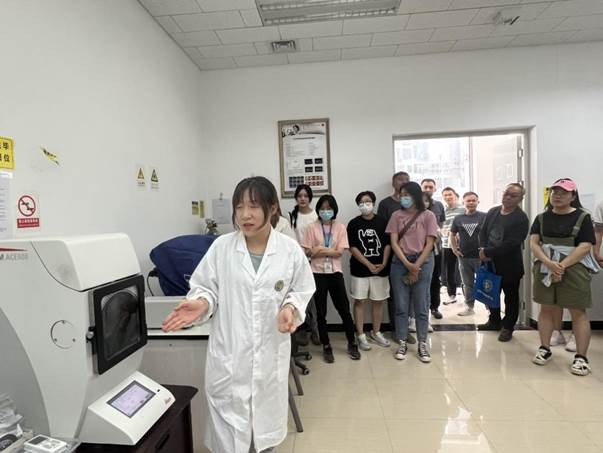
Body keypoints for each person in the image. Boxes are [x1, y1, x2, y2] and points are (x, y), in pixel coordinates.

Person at [162, 176, 315, 453]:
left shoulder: (289, 250)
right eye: (239, 207)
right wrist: (202, 303)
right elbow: (206, 288)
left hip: (269, 359)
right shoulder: (222, 248)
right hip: (230, 362)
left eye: (254, 206)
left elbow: (301, 289)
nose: (245, 215)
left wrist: (290, 308)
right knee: (229, 441)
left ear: (272, 207)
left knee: (264, 439)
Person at [530, 178, 598, 376]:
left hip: (574, 268)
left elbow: (585, 246)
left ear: (573, 196)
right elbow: (534, 243)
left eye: (563, 193)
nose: (558, 196)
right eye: (555, 192)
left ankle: (581, 357)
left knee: (578, 311)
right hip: (545, 266)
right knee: (546, 308)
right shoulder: (541, 218)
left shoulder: (583, 217)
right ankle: (544, 348)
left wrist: (561, 265)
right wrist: (549, 263)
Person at [301, 194, 361, 362]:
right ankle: (326, 345)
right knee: (321, 312)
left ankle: (352, 342)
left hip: (335, 273)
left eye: (328, 208)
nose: (325, 211)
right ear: (318, 210)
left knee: (344, 309)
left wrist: (319, 249)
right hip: (317, 273)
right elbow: (307, 252)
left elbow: (339, 253)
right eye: (322, 208)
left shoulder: (340, 227)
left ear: (334, 210)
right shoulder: (311, 227)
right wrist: (321, 250)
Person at [386, 182, 438, 363]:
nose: (403, 198)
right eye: (401, 195)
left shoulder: (428, 215)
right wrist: (408, 264)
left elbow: (430, 244)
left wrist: (416, 265)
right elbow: (394, 243)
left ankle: (422, 343)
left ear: (416, 195)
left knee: (421, 305)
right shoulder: (396, 215)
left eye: (407, 194)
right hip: (400, 262)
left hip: (424, 261)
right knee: (401, 306)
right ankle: (402, 341)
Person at [478, 183, 530, 342]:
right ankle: (494, 321)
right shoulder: (493, 211)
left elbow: (512, 243)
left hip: (510, 266)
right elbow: (483, 232)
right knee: (491, 293)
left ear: (521, 199)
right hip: (490, 264)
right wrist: (482, 249)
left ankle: (508, 327)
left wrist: (488, 252)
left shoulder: (521, 218)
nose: (508, 197)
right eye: (506, 193)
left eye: (513, 195)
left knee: (510, 297)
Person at [347, 191, 391, 350]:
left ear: (373, 203)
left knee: (378, 301)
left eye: (368, 201)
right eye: (361, 202)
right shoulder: (353, 223)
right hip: (360, 270)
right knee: (359, 301)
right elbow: (352, 247)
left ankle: (376, 332)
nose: (365, 205)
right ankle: (360, 335)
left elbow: (388, 244)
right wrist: (368, 264)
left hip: (381, 269)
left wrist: (383, 263)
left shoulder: (383, 222)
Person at [289, 184, 320, 344]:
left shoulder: (316, 215)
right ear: (296, 198)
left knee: (314, 299)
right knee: (299, 298)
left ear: (310, 198)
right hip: (297, 262)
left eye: (305, 196)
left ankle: (315, 329)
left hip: (314, 261)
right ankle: (301, 330)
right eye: (300, 196)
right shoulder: (292, 216)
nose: (302, 199)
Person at [449, 192, 486, 316]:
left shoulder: (485, 216)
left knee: (485, 282)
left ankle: (490, 309)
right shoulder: (458, 218)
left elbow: (490, 233)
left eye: (473, 200)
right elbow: (452, 234)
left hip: (481, 257)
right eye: (468, 201)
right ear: (463, 203)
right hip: (464, 257)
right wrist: (454, 249)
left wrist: (487, 250)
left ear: (478, 202)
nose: (471, 203)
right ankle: (469, 307)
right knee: (467, 284)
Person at [421, 179, 446, 319]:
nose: (428, 189)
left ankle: (434, 307)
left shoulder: (439, 205)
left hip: (436, 247)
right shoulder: (415, 206)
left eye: (431, 187)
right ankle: (422, 309)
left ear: (435, 188)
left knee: (435, 278)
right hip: (419, 248)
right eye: (425, 187)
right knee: (422, 279)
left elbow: (440, 224)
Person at [440, 187, 465, 305]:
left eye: (450, 194)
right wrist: (442, 231)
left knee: (464, 270)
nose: (448, 197)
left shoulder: (463, 209)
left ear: (455, 195)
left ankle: (468, 297)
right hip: (446, 244)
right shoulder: (443, 211)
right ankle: (452, 295)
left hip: (462, 244)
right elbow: (441, 227)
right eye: (445, 195)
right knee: (449, 271)